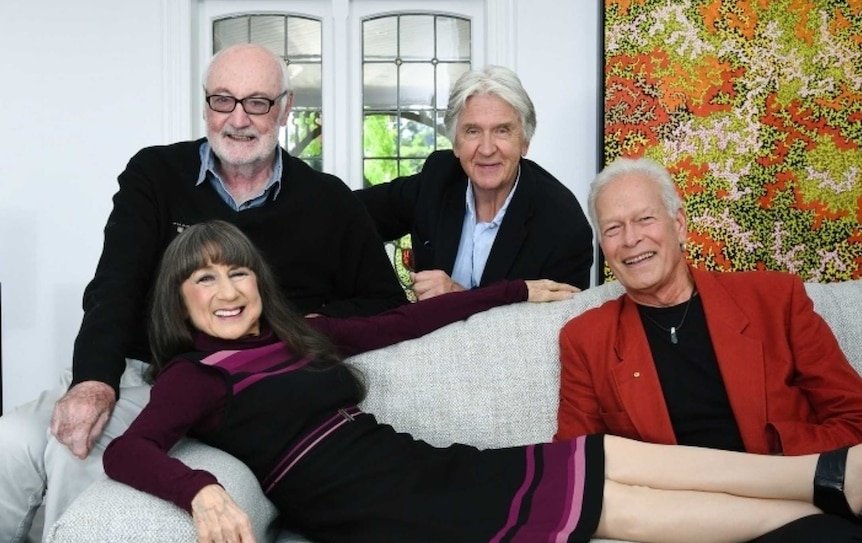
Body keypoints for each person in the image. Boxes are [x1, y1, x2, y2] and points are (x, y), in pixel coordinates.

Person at [103, 219, 862, 543]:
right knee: (613, 505)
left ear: (258, 281)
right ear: (180, 297)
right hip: (391, 513)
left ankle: (829, 476)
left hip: (421, 468)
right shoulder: (193, 377)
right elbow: (124, 450)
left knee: (608, 457)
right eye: (205, 278)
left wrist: (515, 290)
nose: (228, 288)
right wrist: (201, 491)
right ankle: (817, 500)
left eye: (238, 270)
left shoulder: (300, 335)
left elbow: (404, 322)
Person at [0, 43, 408, 541]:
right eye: (223, 100)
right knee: (10, 440)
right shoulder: (154, 174)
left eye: (257, 102)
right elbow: (114, 284)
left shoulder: (329, 201)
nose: (238, 119)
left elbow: (383, 303)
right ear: (205, 104)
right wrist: (93, 381)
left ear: (285, 109)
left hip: (218, 389)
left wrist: (282, 327)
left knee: (73, 451)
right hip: (138, 369)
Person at [555, 157, 862, 541]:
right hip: (688, 522)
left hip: (797, 507)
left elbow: (855, 420)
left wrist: (773, 469)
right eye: (613, 229)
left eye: (645, 219)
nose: (631, 239)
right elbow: (576, 467)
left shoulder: (775, 300)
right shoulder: (586, 338)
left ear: (679, 224)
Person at [355, 65, 594, 300]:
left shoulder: (563, 224)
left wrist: (461, 297)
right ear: (455, 143)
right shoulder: (438, 178)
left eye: (502, 130)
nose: (487, 149)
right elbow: (348, 213)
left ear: (525, 142)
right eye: (472, 131)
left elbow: (557, 329)